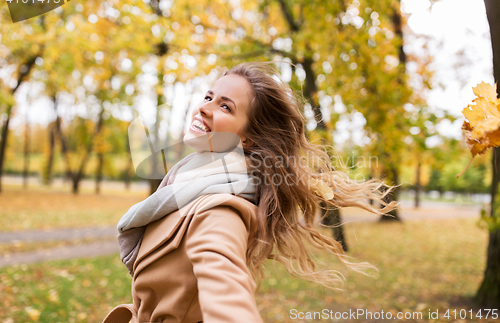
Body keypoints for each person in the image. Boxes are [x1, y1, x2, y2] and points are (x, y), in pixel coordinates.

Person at [102, 62, 399, 323]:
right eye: (209, 97)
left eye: (225, 106)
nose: (204, 107)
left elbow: (226, 291)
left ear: (247, 137)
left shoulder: (220, 210)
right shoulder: (185, 184)